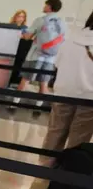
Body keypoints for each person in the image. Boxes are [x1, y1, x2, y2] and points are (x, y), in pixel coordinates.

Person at [39, 10, 93, 166]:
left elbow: (57, 64)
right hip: (89, 97)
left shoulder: (70, 39)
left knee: (55, 131)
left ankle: (45, 165)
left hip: (63, 92)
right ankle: (69, 169)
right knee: (79, 137)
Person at [11, 0, 66, 113]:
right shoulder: (62, 23)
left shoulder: (41, 20)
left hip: (36, 55)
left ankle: (14, 103)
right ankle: (38, 106)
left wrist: (26, 34)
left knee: (25, 79)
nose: (44, 6)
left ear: (49, 7)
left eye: (45, 5)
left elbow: (27, 36)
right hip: (51, 58)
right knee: (44, 82)